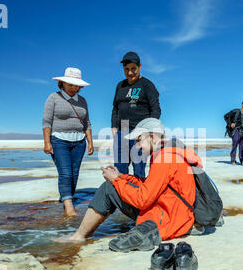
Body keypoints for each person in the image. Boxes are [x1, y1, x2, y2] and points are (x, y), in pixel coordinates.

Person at [58, 118, 202, 253]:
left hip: (168, 222)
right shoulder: (171, 153)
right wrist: (122, 177)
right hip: (178, 215)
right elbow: (151, 185)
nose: (137, 146)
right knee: (116, 184)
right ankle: (81, 234)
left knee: (109, 188)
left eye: (139, 140)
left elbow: (143, 199)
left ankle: (78, 236)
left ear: (152, 137)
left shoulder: (164, 158)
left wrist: (115, 181)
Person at [42, 67, 94, 217]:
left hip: (79, 141)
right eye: (70, 84)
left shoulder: (82, 101)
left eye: (76, 85)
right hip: (59, 140)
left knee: (74, 173)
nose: (73, 88)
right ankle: (69, 207)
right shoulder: (53, 97)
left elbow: (87, 123)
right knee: (65, 173)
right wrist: (47, 142)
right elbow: (47, 121)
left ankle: (66, 198)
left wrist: (90, 142)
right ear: (62, 83)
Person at [111, 51, 161, 179]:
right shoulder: (120, 86)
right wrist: (114, 126)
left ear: (140, 67)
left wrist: (148, 131)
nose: (130, 72)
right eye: (126, 69)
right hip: (122, 130)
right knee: (120, 167)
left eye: (133, 69)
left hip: (140, 131)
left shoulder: (147, 85)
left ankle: (138, 195)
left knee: (138, 167)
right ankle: (121, 196)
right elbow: (115, 108)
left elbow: (156, 109)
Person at [224, 100, 243, 166]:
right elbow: (226, 116)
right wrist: (230, 124)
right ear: (242, 104)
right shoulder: (236, 111)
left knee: (242, 146)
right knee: (235, 145)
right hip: (236, 130)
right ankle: (233, 160)